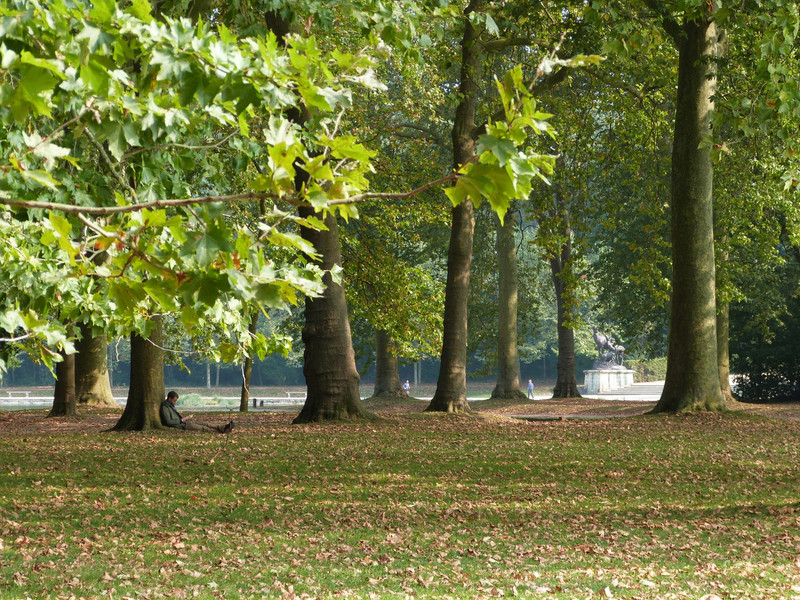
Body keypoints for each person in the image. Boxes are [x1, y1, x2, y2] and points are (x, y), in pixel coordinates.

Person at [160, 391, 234, 433]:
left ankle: (222, 427)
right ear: (169, 398)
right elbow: (168, 422)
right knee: (202, 428)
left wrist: (183, 418)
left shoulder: (170, 405)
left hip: (184, 422)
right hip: (182, 425)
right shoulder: (165, 407)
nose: (175, 403)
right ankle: (221, 431)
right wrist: (180, 420)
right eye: (174, 401)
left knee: (205, 423)